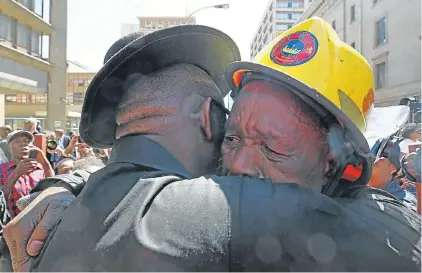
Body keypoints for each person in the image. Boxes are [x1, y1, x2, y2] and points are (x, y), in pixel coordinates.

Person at [4, 20, 420, 272]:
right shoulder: (212, 195)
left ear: (340, 164)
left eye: (273, 148)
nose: (237, 167)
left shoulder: (382, 232)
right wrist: (62, 184)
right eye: (233, 137)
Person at [0, 131, 53, 221]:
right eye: (17, 141)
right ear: (9, 148)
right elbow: (1, 199)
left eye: (27, 141)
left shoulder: (40, 168)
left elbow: (53, 189)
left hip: (39, 226)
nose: (23, 144)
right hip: (11, 227)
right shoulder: (2, 169)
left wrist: (45, 162)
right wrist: (16, 174)